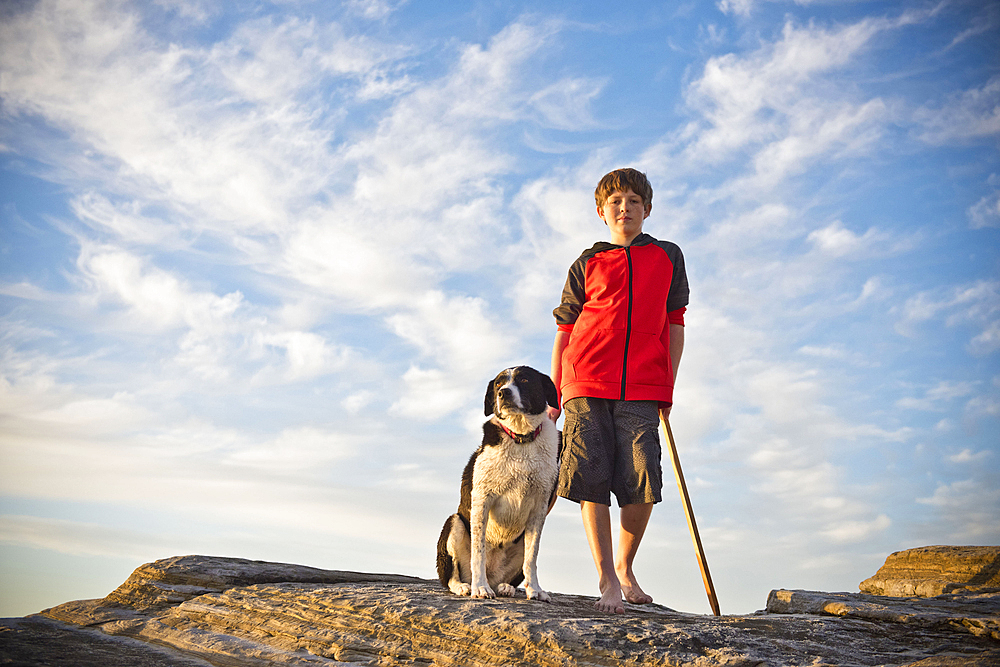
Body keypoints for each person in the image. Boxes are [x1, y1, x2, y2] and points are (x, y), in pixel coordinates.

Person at [549, 167, 689, 614]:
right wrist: (556, 392)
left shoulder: (667, 256)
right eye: (615, 202)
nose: (624, 208)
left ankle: (626, 568)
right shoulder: (586, 263)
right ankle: (607, 578)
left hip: (645, 384)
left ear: (647, 208)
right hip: (586, 379)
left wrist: (668, 383)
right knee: (589, 477)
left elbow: (675, 323)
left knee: (642, 478)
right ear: (601, 211)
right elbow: (566, 328)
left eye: (633, 200)